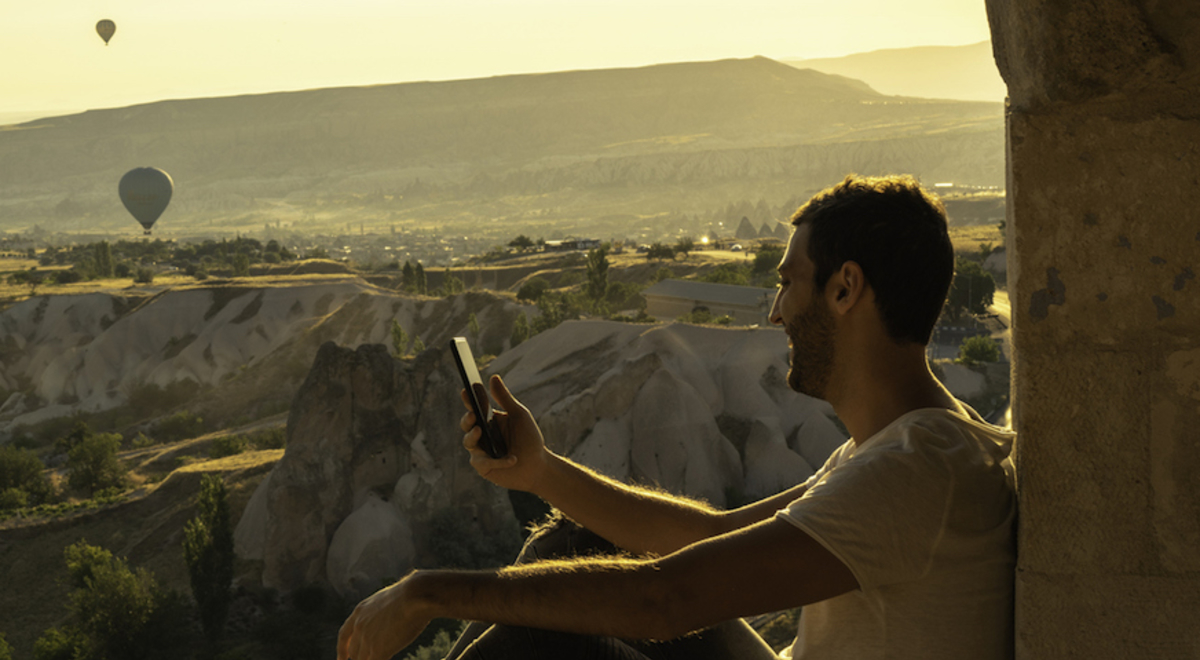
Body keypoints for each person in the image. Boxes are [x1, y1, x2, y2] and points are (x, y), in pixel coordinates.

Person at [337, 174, 1016, 660]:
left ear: (845, 288)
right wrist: (541, 471)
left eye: (786, 283)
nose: (774, 312)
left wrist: (430, 592)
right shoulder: (905, 447)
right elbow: (704, 535)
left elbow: (665, 603)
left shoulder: (916, 471)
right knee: (571, 548)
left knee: (540, 640)